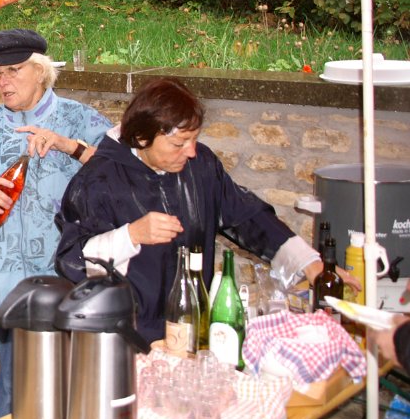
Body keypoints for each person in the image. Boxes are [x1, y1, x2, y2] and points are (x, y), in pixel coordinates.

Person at [55, 77, 361, 344]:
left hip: (193, 326)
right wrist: (130, 235)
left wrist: (309, 263)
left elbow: (247, 216)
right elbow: (72, 261)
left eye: (194, 139)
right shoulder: (98, 180)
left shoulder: (201, 165)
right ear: (143, 137)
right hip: (128, 337)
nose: (191, 151)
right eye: (180, 143)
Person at [0, 29, 112, 419]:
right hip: (2, 279)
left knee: (55, 382)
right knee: (19, 380)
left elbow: (124, 178)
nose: (4, 81)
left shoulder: (80, 120)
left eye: (13, 70)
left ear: (41, 71)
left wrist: (68, 146)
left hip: (66, 276)